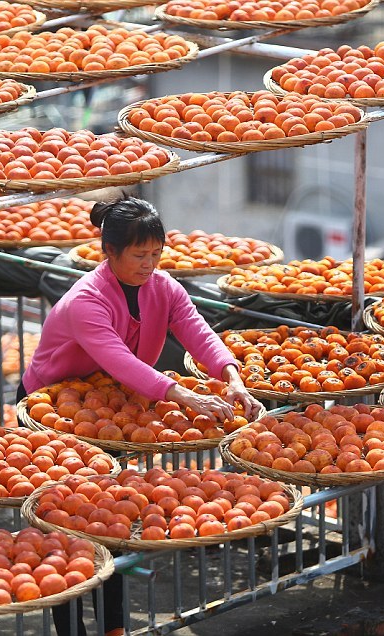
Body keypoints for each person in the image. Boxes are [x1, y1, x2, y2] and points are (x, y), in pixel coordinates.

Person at [16, 196, 263, 636]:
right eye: (138, 254)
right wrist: (183, 395)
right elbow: (119, 360)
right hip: (52, 410)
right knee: (64, 521)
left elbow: (196, 329)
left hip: (110, 407)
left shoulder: (163, 287)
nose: (149, 264)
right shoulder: (85, 301)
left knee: (107, 519)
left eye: (155, 254)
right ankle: (71, 628)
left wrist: (232, 376)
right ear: (109, 252)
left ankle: (113, 628)